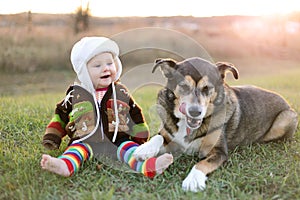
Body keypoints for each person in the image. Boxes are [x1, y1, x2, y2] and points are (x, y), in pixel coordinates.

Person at [40, 36, 173, 178]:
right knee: (76, 150)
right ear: (84, 72)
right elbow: (60, 115)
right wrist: (52, 136)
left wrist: (140, 135)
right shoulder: (75, 95)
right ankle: (64, 165)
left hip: (118, 140)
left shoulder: (120, 92)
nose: (106, 68)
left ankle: (150, 167)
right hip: (86, 139)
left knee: (132, 152)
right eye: (97, 66)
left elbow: (135, 112)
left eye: (110, 63)